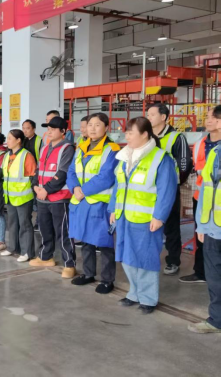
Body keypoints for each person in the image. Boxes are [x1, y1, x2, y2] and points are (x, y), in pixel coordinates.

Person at [111, 117, 178, 315]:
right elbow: (118, 185)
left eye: (130, 133)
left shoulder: (160, 158)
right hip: (124, 216)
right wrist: (113, 209)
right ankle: (134, 293)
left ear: (145, 134)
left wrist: (160, 216)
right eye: (126, 132)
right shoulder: (125, 156)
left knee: (146, 258)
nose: (126, 136)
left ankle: (148, 298)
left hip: (147, 219)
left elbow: (167, 191)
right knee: (127, 256)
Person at [68, 113, 121, 294]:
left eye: (97, 125)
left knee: (104, 242)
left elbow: (106, 177)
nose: (92, 128)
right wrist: (75, 188)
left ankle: (107, 279)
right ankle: (88, 273)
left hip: (100, 203)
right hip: (81, 201)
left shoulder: (112, 149)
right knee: (85, 239)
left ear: (106, 127)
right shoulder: (81, 147)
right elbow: (71, 171)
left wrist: (82, 190)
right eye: (90, 124)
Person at [148, 103, 193, 276]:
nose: (149, 117)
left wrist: (173, 184)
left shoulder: (176, 137)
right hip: (148, 188)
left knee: (171, 225)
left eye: (152, 114)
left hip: (169, 188)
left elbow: (185, 164)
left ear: (163, 117)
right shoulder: (147, 136)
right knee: (149, 223)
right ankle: (149, 256)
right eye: (148, 114)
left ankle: (173, 261)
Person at [31, 117, 77, 279]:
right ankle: (45, 257)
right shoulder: (45, 148)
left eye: (53, 129)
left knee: (63, 233)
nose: (49, 132)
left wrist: (46, 190)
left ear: (63, 131)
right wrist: (35, 186)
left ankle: (69, 264)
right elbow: (38, 170)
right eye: (48, 129)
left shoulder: (67, 148)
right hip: (42, 197)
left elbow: (63, 173)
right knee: (45, 230)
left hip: (59, 198)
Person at [189, 105, 221, 334]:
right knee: (215, 276)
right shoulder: (213, 152)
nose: (208, 121)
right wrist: (201, 224)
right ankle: (217, 319)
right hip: (213, 227)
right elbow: (205, 190)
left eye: (212, 117)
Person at [181, 108, 221, 284]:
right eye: (207, 117)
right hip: (202, 199)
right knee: (201, 236)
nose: (209, 120)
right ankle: (201, 272)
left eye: (214, 117)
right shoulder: (200, 144)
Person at [1, 130, 38, 263]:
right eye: (7, 138)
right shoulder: (7, 155)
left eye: (10, 138)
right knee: (12, 223)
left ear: (18, 140)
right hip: (10, 196)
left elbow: (33, 176)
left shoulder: (26, 155)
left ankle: (27, 252)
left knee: (25, 224)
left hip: (23, 197)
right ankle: (13, 248)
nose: (7, 141)